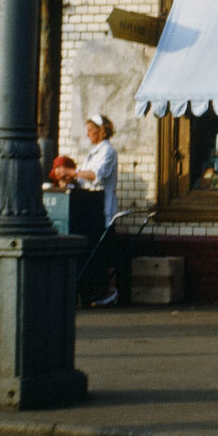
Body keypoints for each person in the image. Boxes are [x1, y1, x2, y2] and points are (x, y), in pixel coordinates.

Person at [76, 114, 121, 305]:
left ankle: (111, 291)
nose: (87, 134)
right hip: (90, 209)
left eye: (90, 130)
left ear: (100, 130)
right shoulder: (93, 152)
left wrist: (72, 173)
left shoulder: (108, 151)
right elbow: (82, 177)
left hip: (104, 210)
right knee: (96, 251)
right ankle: (95, 289)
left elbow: (97, 175)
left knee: (106, 251)